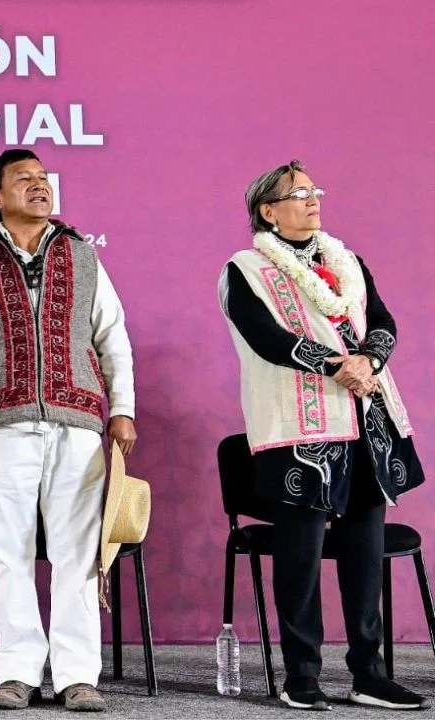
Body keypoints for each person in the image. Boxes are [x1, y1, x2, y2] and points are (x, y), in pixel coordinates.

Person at [0, 149, 135, 712]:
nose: (39, 187)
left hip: (78, 424)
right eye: (24, 180)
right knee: (8, 551)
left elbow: (111, 335)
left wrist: (124, 408)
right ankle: (18, 672)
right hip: (0, 423)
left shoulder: (82, 253)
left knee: (77, 554)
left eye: (44, 179)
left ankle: (76, 677)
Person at [219, 160, 427, 711]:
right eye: (299, 193)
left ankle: (369, 674)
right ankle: (302, 677)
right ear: (268, 210)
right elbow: (265, 337)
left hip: (367, 420)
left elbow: (381, 321)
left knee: (365, 550)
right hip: (299, 428)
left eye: (315, 191)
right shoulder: (246, 269)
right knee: (300, 555)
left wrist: (369, 360)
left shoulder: (348, 261)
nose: (313, 200)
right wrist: (338, 366)